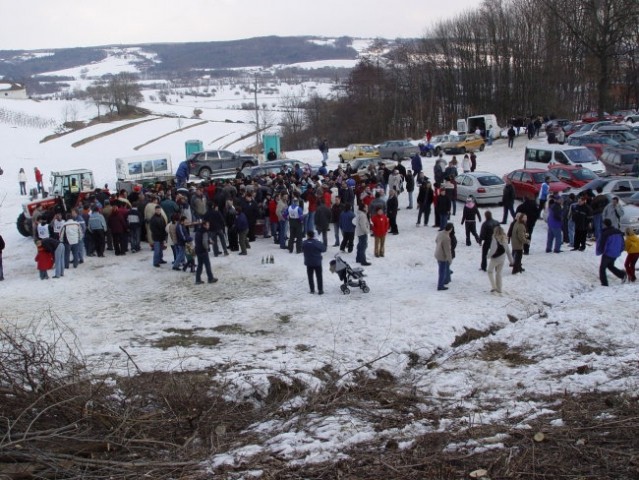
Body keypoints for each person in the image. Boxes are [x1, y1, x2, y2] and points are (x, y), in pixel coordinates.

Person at [597, 218, 627, 286]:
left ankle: (604, 283)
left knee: (602, 268)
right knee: (610, 265)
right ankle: (622, 275)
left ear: (605, 225)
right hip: (616, 252)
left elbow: (602, 244)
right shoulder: (618, 231)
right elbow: (622, 242)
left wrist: (601, 251)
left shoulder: (605, 233)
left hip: (608, 253)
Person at [487, 225, 513, 294]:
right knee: (499, 273)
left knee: (489, 271)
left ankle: (494, 286)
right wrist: (511, 261)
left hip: (495, 258)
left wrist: (488, 256)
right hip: (502, 259)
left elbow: (493, 249)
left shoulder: (494, 238)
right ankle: (499, 288)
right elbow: (508, 251)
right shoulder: (505, 239)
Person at [193, 220, 218, 284]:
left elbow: (199, 240)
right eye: (207, 225)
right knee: (207, 265)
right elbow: (204, 242)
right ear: (204, 225)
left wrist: (209, 241)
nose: (208, 226)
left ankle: (197, 279)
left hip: (198, 250)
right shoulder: (205, 232)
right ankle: (210, 278)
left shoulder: (198, 231)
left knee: (199, 265)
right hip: (203, 251)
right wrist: (207, 248)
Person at [302, 230, 327, 294]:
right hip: (317, 262)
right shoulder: (317, 243)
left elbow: (302, 248)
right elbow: (324, 249)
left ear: (307, 235)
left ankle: (312, 289)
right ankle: (320, 290)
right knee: (319, 276)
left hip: (309, 262)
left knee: (310, 276)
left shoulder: (304, 243)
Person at [434, 223, 453, 291]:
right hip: (442, 256)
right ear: (450, 229)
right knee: (442, 271)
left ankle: (442, 282)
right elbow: (447, 250)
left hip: (437, 254)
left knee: (441, 270)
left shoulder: (441, 233)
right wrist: (450, 260)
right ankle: (440, 285)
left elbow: (436, 240)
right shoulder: (447, 238)